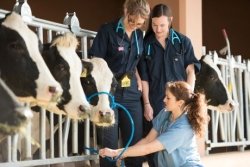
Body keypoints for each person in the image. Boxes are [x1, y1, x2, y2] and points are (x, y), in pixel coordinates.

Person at [137, 4, 201, 166]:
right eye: (154, 25)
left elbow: (191, 72)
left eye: (162, 25)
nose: (158, 29)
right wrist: (146, 104)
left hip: (178, 104)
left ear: (171, 21)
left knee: (178, 147)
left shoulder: (183, 42)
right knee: (153, 146)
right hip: (155, 102)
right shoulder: (146, 45)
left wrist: (188, 99)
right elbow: (144, 78)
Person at [89, 0, 150, 166]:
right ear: (126, 11)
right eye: (132, 21)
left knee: (135, 141)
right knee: (109, 142)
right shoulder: (107, 30)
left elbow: (138, 62)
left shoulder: (138, 35)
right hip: (109, 90)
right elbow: (96, 61)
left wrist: (137, 78)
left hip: (130, 91)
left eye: (139, 23)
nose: (134, 26)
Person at [99, 81, 208, 167]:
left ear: (180, 103)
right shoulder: (165, 113)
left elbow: (148, 148)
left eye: (168, 98)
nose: (164, 100)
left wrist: (116, 153)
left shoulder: (183, 127)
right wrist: (122, 154)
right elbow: (147, 140)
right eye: (165, 96)